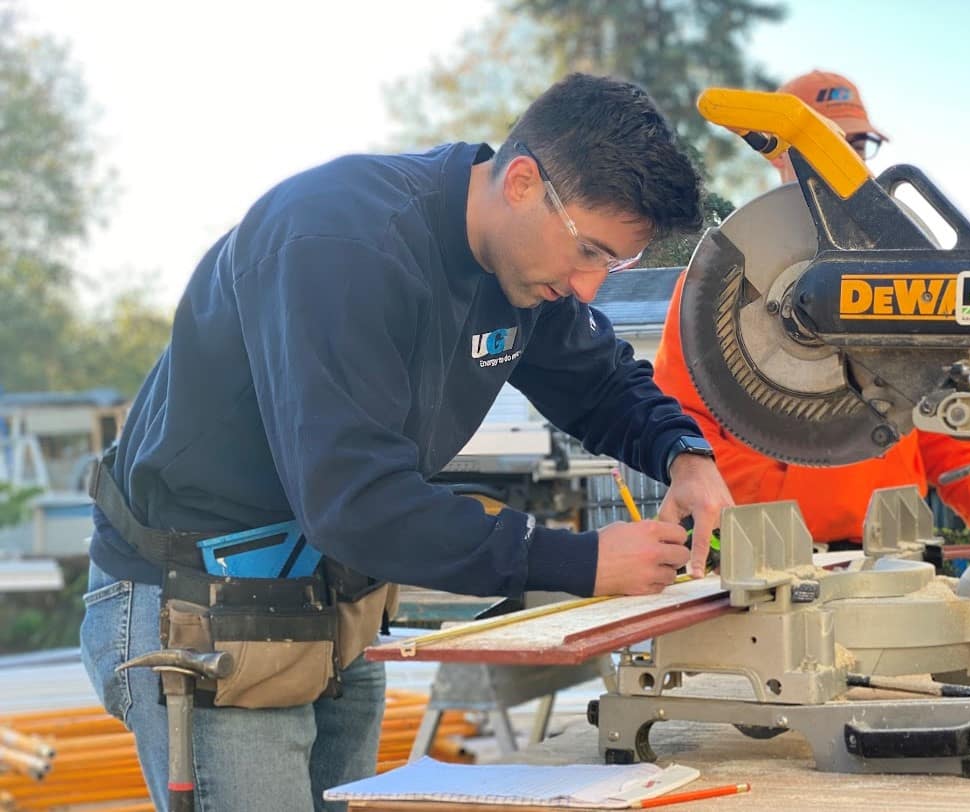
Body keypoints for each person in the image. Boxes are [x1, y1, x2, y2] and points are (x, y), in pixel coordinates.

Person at [80, 73, 733, 811]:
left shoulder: (524, 269)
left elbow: (599, 381)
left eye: (612, 266)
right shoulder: (339, 242)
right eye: (589, 252)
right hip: (204, 612)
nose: (588, 288)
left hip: (331, 609)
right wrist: (579, 559)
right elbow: (355, 500)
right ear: (522, 182)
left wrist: (685, 454)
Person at [653, 69, 970, 553]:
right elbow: (686, 420)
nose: (841, 155)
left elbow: (941, 414)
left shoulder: (907, 271)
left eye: (854, 144)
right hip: (762, 555)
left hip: (893, 552)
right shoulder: (725, 280)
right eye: (821, 139)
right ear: (776, 151)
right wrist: (771, 499)